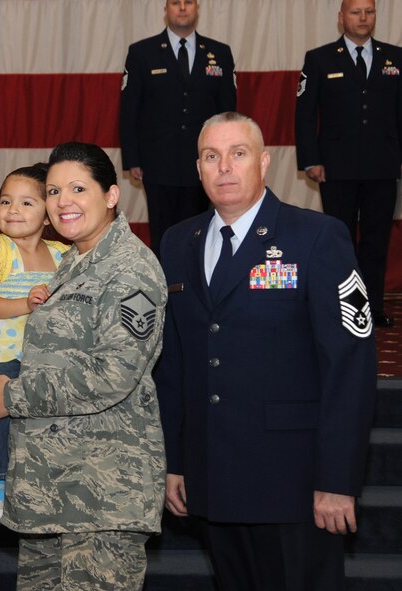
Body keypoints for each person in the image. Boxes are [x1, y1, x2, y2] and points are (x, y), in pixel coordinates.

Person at [155, 112, 377, 590]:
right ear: (198, 169)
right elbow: (172, 366)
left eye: (238, 154)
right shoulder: (177, 242)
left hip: (294, 484)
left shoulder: (316, 236)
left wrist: (337, 479)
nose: (225, 168)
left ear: (265, 162)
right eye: (211, 157)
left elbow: (349, 367)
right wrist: (174, 461)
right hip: (212, 475)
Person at [0, 142, 167, 590]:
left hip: (101, 495)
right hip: (49, 489)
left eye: (78, 188)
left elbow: (112, 374)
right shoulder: (70, 262)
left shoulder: (129, 269)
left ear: (111, 195)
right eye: (53, 190)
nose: (64, 201)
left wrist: (10, 397)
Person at [294, 0, 402, 328]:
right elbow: (305, 114)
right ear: (342, 18)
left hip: (382, 167)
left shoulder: (395, 58)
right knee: (338, 241)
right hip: (335, 168)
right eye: (356, 12)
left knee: (376, 240)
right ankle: (340, 305)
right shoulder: (319, 58)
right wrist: (311, 160)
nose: (363, 18)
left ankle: (372, 306)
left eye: (369, 11)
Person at [0, 163, 70, 525]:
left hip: (43, 354)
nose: (13, 210)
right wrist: (25, 304)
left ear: (48, 214)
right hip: (3, 353)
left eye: (27, 203)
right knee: (6, 397)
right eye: (5, 201)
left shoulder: (62, 253)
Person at [120, 0, 236, 255]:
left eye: (189, 2)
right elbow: (129, 111)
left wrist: (226, 157)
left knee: (202, 231)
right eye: (175, 2)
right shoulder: (142, 52)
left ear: (197, 8)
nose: (182, 7)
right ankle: (165, 291)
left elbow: (228, 114)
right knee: (164, 233)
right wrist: (133, 158)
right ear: (166, 10)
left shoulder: (220, 53)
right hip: (158, 162)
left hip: (205, 162)